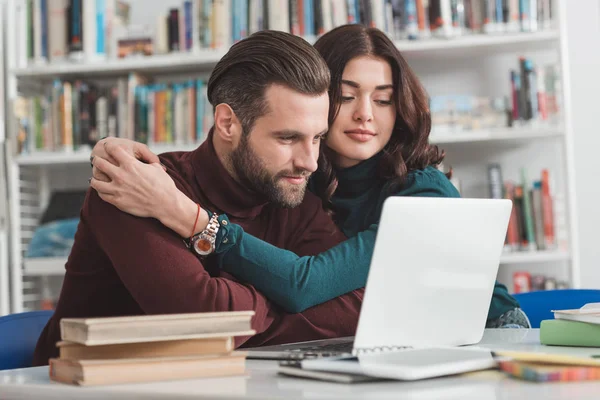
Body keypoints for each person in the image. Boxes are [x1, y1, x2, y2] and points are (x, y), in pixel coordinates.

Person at [89, 25, 530, 329]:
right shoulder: (302, 183)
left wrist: (192, 219)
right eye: (347, 95)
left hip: (485, 328)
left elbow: (308, 284)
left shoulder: (423, 194)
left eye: (383, 100)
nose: (364, 115)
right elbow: (297, 293)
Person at [31, 30, 366, 366]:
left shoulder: (295, 197)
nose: (309, 161)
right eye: (288, 138)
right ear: (227, 123)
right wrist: (290, 293)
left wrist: (244, 308)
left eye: (317, 138)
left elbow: (358, 308)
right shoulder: (135, 186)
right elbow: (204, 320)